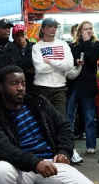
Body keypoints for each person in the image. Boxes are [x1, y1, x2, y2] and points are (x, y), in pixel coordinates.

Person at [31, 18, 83, 165]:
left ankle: (67, 151)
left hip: (60, 87)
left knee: (61, 121)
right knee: (41, 120)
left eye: (55, 27)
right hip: (41, 87)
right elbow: (40, 68)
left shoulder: (63, 44)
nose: (53, 29)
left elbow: (68, 65)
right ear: (43, 29)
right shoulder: (37, 47)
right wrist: (59, 65)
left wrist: (51, 61)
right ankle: (43, 149)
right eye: (50, 27)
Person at [68, 21, 99, 154]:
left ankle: (91, 145)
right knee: (69, 115)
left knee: (89, 116)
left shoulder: (97, 44)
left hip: (88, 83)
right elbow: (69, 60)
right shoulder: (73, 45)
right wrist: (76, 60)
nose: (87, 31)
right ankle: (68, 144)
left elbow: (93, 58)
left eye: (90, 29)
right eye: (85, 29)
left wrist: (87, 42)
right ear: (79, 31)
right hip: (74, 82)